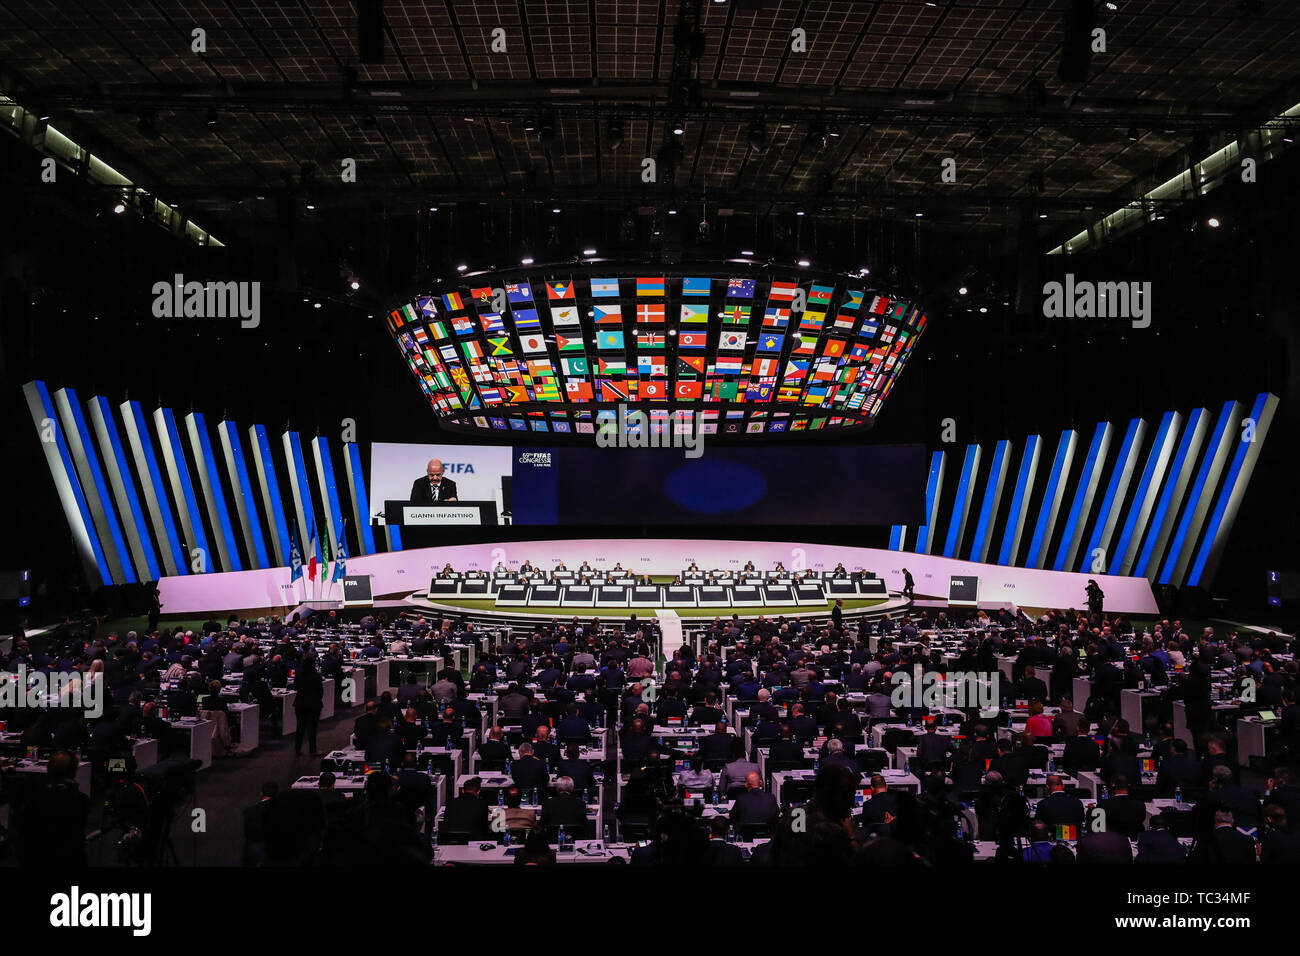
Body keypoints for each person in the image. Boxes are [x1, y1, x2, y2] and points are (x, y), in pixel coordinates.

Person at [293, 657, 325, 757]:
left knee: (300, 727)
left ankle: (297, 749)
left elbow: (296, 687)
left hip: (300, 703)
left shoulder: (298, 674)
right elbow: (320, 691)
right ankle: (313, 750)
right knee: (312, 728)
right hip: (313, 704)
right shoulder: (316, 676)